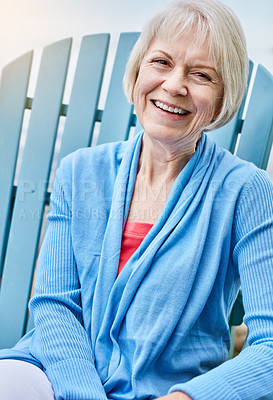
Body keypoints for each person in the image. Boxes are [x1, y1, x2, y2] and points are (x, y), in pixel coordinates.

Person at [0, 0, 273, 398]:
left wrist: (185, 398)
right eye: (161, 62)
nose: (175, 85)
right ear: (138, 71)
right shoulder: (79, 172)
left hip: (167, 390)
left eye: (200, 74)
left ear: (222, 96)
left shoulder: (246, 191)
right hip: (55, 372)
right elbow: (55, 305)